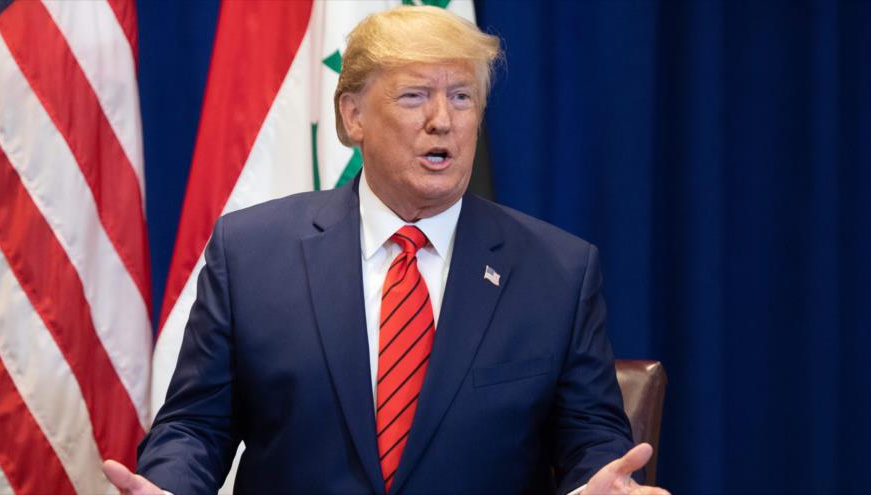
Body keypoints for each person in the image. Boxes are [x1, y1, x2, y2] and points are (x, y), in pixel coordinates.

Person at [103, 6, 669, 495]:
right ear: (353, 117)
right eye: (415, 96)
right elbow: (196, 427)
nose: (441, 121)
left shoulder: (557, 271)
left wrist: (603, 481)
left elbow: (590, 438)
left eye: (462, 97)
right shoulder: (251, 253)